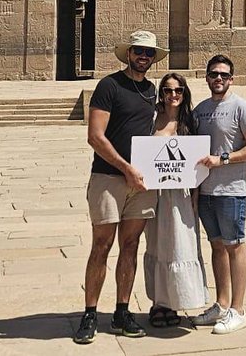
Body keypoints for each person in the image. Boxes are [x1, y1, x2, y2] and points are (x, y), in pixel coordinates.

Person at [75, 31, 167, 344]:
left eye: (149, 53)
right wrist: (126, 168)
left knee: (130, 245)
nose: (144, 57)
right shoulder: (109, 86)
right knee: (101, 245)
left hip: (141, 182)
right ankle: (90, 313)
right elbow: (95, 136)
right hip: (109, 177)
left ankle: (122, 310)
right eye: (139, 51)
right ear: (128, 53)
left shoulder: (151, 91)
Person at [190, 54, 246, 334]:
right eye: (213, 74)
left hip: (231, 190)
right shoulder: (200, 110)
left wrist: (223, 158)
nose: (218, 78)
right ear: (207, 77)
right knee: (217, 246)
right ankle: (221, 305)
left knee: (235, 245)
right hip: (206, 191)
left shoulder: (240, 106)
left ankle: (238, 309)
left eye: (223, 74)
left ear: (231, 79)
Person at [144, 73, 208, 328]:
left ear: (184, 93)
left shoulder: (190, 121)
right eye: (168, 90)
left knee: (180, 246)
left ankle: (175, 300)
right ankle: (158, 302)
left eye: (178, 90)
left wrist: (196, 194)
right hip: (154, 192)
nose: (173, 95)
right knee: (157, 244)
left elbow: (199, 160)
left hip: (181, 195)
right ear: (161, 92)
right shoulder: (150, 118)